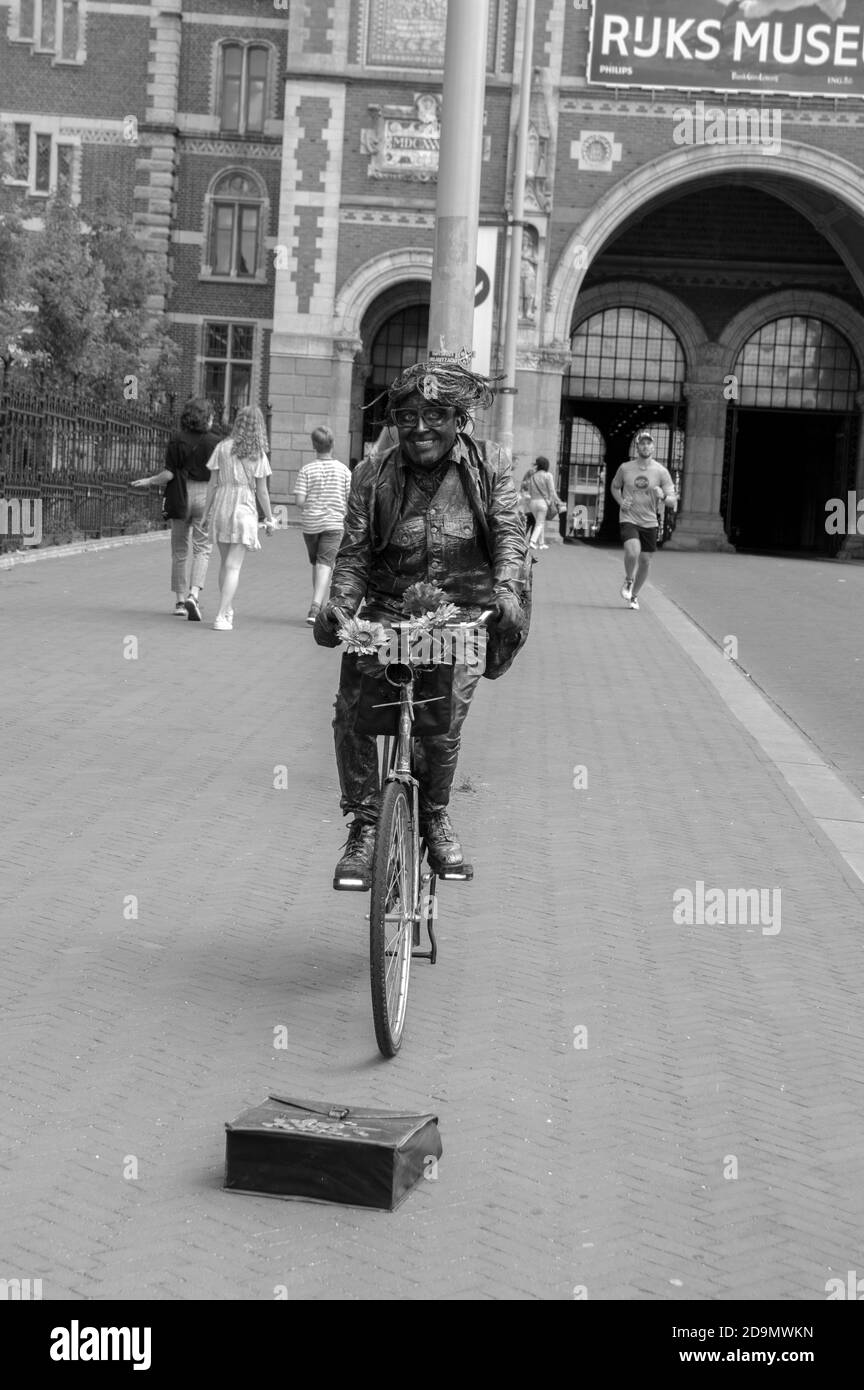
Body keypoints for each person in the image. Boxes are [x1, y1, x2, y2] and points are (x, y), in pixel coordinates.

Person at [312, 356, 527, 888]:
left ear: (458, 419)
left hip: (464, 614)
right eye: (407, 417)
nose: (420, 427)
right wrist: (338, 606)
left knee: (442, 721)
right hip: (389, 612)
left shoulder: (490, 469)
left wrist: (505, 594)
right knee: (351, 711)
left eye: (433, 415)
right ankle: (364, 823)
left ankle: (434, 815)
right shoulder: (371, 475)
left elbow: (508, 537)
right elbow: (355, 555)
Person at [130, 397, 221, 619]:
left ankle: (180, 601)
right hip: (205, 495)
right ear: (207, 418)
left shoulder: (176, 439)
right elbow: (220, 476)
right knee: (203, 549)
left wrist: (149, 480)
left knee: (179, 551)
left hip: (180, 496)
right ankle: (194, 594)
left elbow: (169, 474)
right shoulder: (216, 442)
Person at [200, 406, 275, 630]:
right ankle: (222, 615)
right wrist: (270, 519)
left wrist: (205, 514)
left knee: (225, 564)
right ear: (258, 426)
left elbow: (212, 484)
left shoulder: (222, 447)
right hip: (244, 508)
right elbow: (262, 491)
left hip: (222, 505)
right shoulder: (257, 453)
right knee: (234, 566)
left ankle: (227, 609)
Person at [610, 431, 677, 611]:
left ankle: (634, 595)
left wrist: (663, 496)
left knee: (645, 560)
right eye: (642, 443)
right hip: (629, 517)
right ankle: (629, 579)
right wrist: (620, 501)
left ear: (653, 447)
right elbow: (615, 487)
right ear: (637, 446)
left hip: (650, 521)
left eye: (649, 443)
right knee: (633, 551)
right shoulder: (625, 468)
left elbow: (673, 500)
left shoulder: (661, 471)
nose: (645, 446)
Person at [294, 426, 352, 625]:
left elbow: (300, 500)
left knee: (318, 563)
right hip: (334, 523)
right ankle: (315, 607)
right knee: (325, 564)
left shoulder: (307, 470)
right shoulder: (343, 470)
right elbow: (350, 498)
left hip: (311, 525)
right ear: (332, 444)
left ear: (314, 446)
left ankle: (315, 603)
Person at [520, 456, 564, 550]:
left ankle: (541, 543)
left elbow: (530, 491)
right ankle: (532, 541)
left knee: (540, 523)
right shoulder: (548, 475)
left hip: (532, 502)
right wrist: (557, 500)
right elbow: (552, 491)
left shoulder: (533, 476)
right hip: (542, 502)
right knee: (539, 523)